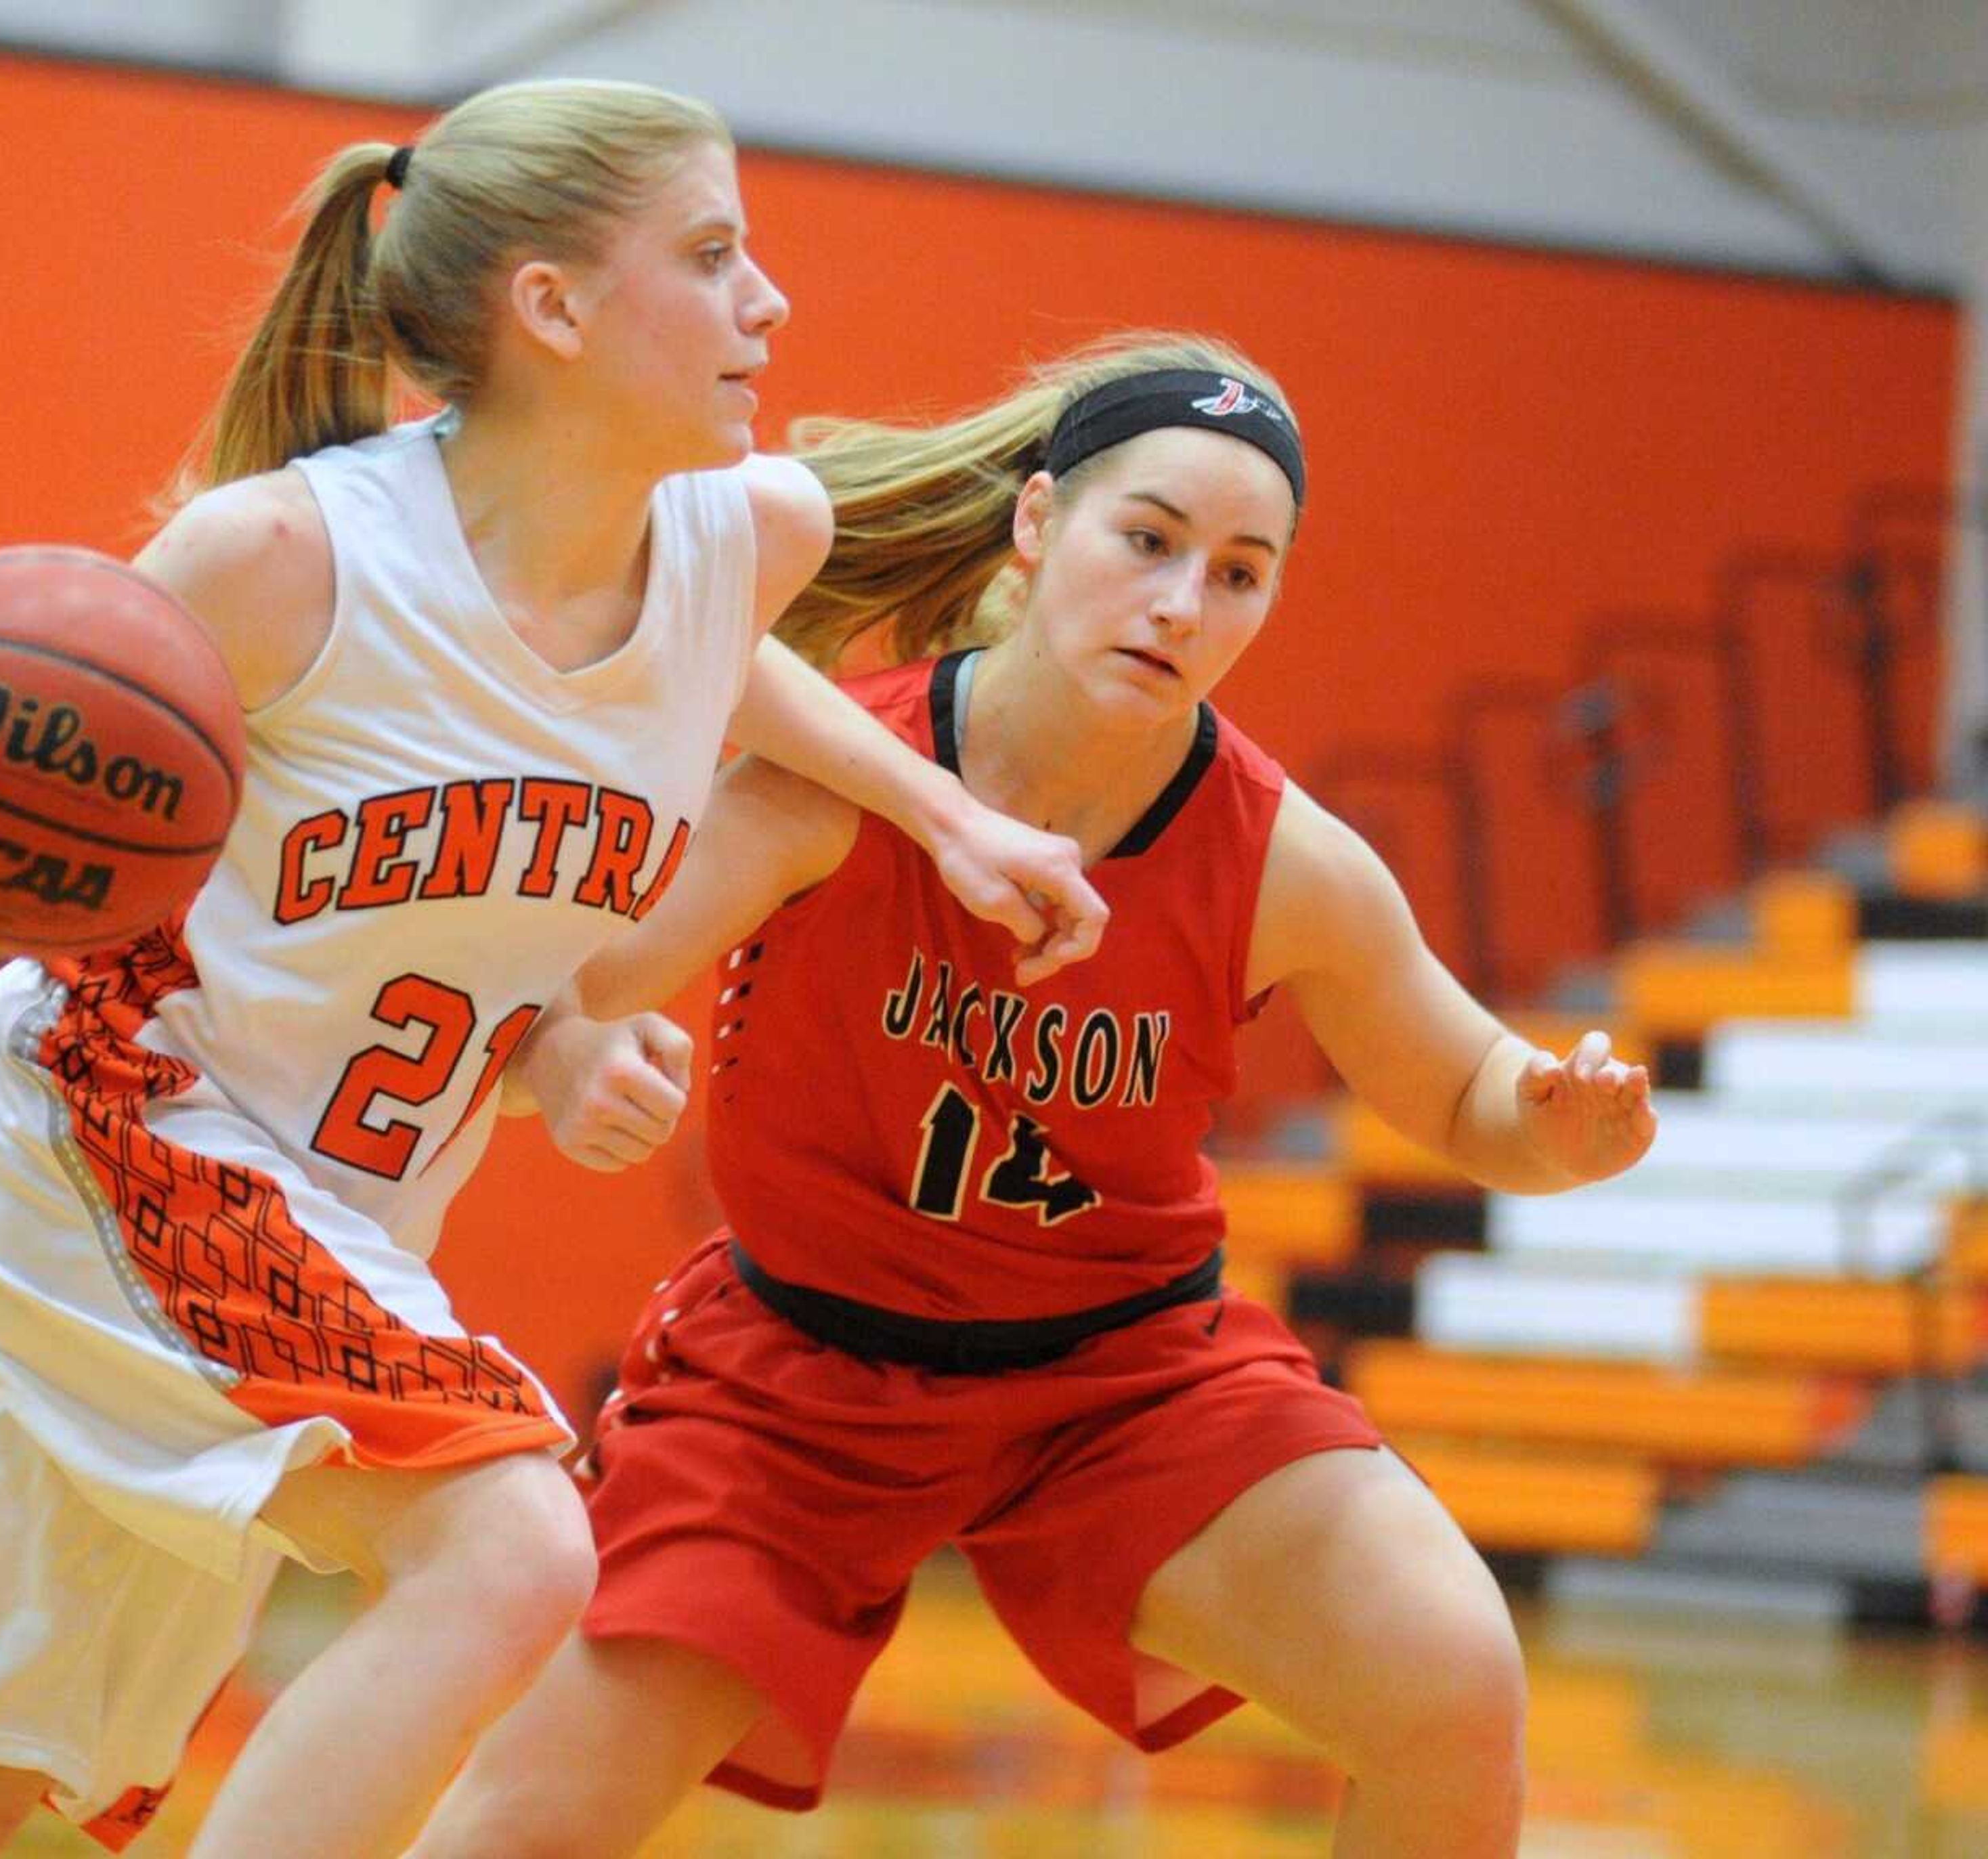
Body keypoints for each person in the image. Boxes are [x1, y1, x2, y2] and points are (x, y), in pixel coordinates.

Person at [0, 79, 1104, 1859]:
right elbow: (29, 866)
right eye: (714, 257)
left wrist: (938, 823)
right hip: (117, 1130)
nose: (767, 301)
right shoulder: (290, 561)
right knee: (510, 1546)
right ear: (549, 308)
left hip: (325, 1215)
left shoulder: (741, 544)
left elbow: (714, 677)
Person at [408, 332, 1660, 1859]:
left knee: (1451, 1677)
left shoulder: (1278, 855)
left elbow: (1466, 1084)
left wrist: (1559, 1117)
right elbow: (563, 987)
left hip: (1124, 1378)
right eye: (1148, 541)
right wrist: (562, 1052)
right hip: (801, 1375)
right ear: (1037, 522)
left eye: (1240, 574)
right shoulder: (840, 772)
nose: (1183, 604)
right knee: (527, 1818)